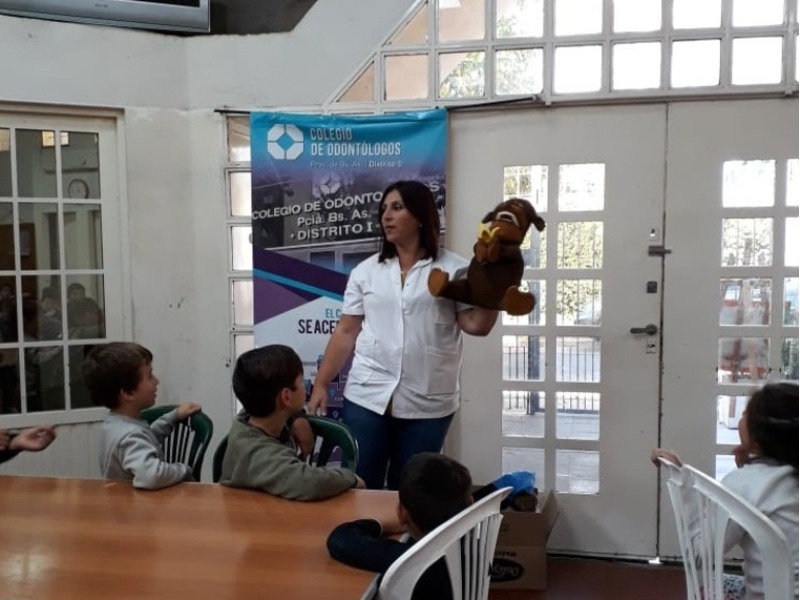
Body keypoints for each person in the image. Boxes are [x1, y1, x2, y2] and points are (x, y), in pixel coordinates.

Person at [308, 180, 498, 490]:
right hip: (367, 396)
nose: (386, 216)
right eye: (383, 209)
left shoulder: (456, 269)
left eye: (397, 208)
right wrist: (321, 383)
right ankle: (360, 538)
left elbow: (477, 325)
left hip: (429, 400)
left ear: (422, 215)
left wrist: (494, 291)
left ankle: (406, 541)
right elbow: (346, 331)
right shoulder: (366, 271)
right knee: (359, 482)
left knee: (412, 488)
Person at [653, 382, 798, 600]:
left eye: (744, 414)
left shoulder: (743, 484)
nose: (740, 419)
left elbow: (701, 555)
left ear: (759, 437)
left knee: (712, 581)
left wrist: (684, 487)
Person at [220, 344, 365, 500]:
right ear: (286, 397)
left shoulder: (251, 415)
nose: (306, 385)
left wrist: (297, 417)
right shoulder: (259, 455)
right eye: (302, 381)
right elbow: (309, 483)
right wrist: (351, 478)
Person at [327, 452, 473, 600]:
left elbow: (340, 539)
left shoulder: (410, 560)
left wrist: (382, 525)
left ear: (401, 513)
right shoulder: (474, 550)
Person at [82, 341, 201, 490]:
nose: (157, 381)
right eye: (150, 375)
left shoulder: (116, 423)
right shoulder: (129, 436)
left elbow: (147, 439)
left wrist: (173, 417)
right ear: (128, 393)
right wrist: (184, 470)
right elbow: (151, 476)